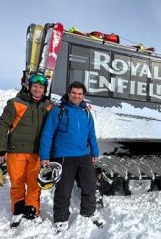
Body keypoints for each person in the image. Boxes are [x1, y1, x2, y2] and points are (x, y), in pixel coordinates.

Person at [39, 81, 100, 232]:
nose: (76, 96)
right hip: (64, 155)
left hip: (84, 155)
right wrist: (45, 156)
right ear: (68, 93)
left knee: (89, 186)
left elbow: (91, 133)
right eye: (74, 93)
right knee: (64, 190)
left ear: (83, 95)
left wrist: (94, 152)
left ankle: (88, 213)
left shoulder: (86, 111)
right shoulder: (59, 110)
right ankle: (60, 219)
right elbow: (47, 134)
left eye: (80, 94)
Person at [0, 74, 53, 227]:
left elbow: (60, 120)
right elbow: (2, 126)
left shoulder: (49, 106)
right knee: (17, 182)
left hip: (37, 152)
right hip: (16, 151)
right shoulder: (15, 103)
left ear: (44, 90)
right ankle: (18, 210)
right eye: (35, 86)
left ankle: (32, 209)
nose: (37, 89)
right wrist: (1, 150)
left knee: (34, 184)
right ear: (29, 86)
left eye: (41, 87)